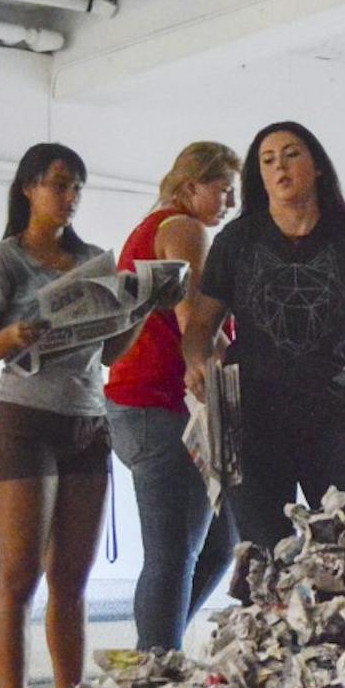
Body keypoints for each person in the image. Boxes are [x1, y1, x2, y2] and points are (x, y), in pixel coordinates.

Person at [0, 143, 145, 688]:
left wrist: (141, 311)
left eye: (77, 188)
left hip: (87, 420)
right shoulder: (4, 258)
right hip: (24, 420)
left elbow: (110, 353)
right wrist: (13, 336)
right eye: (59, 185)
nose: (69, 197)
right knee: (19, 576)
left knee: (71, 579)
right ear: (29, 187)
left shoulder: (92, 260)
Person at [182, 121, 345, 551]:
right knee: (267, 555)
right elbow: (201, 325)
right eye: (268, 160)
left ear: (317, 166)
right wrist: (197, 362)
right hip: (251, 420)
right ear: (259, 177)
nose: (280, 166)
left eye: (291, 154)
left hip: (330, 415)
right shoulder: (237, 239)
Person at [104, 142, 242, 652]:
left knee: (220, 542)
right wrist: (238, 375)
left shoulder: (152, 229)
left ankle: (157, 652)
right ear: (190, 186)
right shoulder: (183, 228)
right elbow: (196, 325)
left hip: (142, 407)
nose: (230, 201)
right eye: (223, 188)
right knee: (174, 553)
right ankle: (155, 666)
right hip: (159, 405)